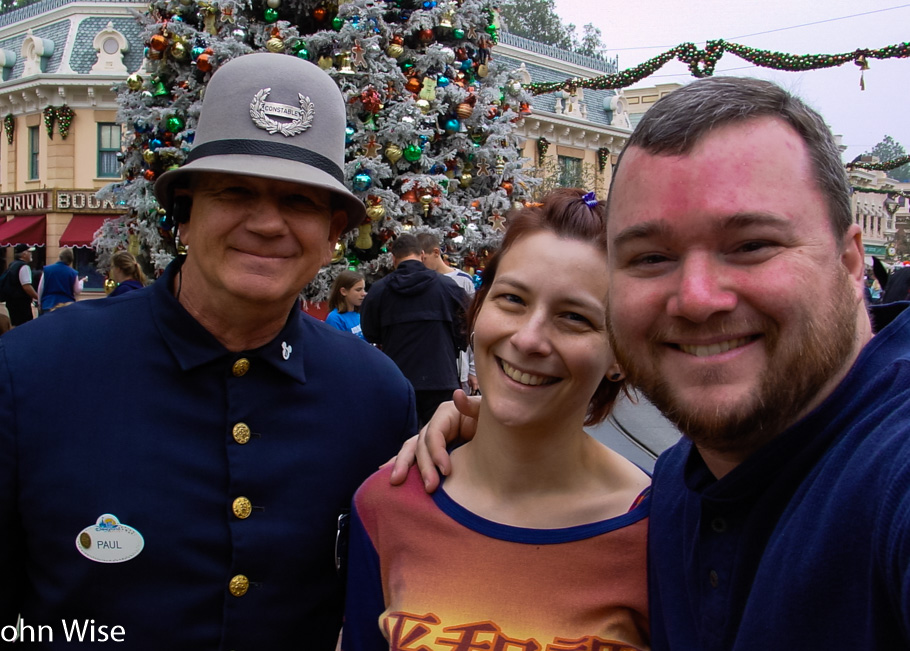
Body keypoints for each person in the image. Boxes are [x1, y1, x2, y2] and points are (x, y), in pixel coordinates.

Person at [401, 77, 910, 650]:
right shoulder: (674, 490)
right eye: (652, 257)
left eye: (751, 245)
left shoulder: (893, 471)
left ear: (850, 262)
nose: (696, 298)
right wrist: (499, 438)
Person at [0, 52, 416, 649]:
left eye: (300, 201)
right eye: (235, 190)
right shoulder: (34, 372)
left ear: (332, 235)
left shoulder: (376, 398)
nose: (267, 223)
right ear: (185, 213)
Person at [343, 190, 650, 650]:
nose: (528, 339)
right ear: (478, 308)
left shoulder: (658, 531)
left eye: (573, 317)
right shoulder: (387, 505)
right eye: (512, 299)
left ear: (621, 353)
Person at [361, 232, 469, 425]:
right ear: (421, 254)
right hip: (441, 379)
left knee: (400, 445)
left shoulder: (379, 291)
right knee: (441, 441)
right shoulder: (447, 287)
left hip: (397, 380)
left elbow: (370, 333)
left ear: (394, 258)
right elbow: (468, 322)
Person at [417, 231, 479, 394]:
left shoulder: (463, 280)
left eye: (423, 259)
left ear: (436, 252)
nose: (420, 265)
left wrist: (473, 369)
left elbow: (471, 325)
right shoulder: (421, 283)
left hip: (460, 365)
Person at [38, 248, 86, 313]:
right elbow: (77, 290)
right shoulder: (73, 273)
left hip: (48, 303)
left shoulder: (47, 270)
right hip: (66, 304)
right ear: (71, 260)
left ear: (60, 257)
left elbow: (41, 288)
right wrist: (81, 282)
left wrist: (39, 303)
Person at [2, 244, 39, 326]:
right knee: (25, 324)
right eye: (29, 252)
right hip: (21, 302)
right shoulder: (24, 267)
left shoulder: (12, 265)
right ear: (24, 254)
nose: (31, 254)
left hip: (12, 301)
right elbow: (26, 286)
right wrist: (37, 297)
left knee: (15, 324)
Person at [325, 269, 367, 339]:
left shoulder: (359, 314)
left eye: (364, 289)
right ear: (343, 291)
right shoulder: (335, 319)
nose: (364, 294)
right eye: (358, 290)